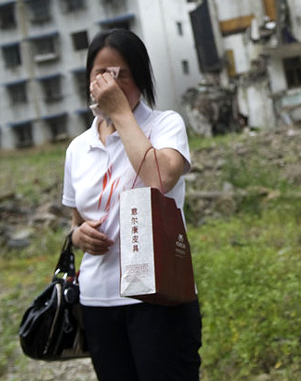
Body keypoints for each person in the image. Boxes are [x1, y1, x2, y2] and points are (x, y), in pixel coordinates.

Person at [62, 28, 201, 381]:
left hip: (160, 298)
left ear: (141, 77)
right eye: (102, 74)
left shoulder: (165, 125)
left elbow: (160, 177)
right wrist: (79, 236)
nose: (112, 83)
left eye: (123, 74)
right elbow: (76, 221)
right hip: (98, 302)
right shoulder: (78, 148)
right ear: (89, 81)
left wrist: (121, 115)